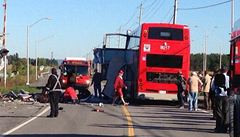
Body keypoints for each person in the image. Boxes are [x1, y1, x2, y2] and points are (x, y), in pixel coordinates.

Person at [213, 67, 230, 133]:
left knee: (218, 112)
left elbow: (213, 87)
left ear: (221, 70)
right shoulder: (229, 78)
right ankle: (225, 128)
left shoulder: (216, 77)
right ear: (227, 70)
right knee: (226, 112)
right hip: (226, 96)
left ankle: (218, 127)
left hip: (218, 96)